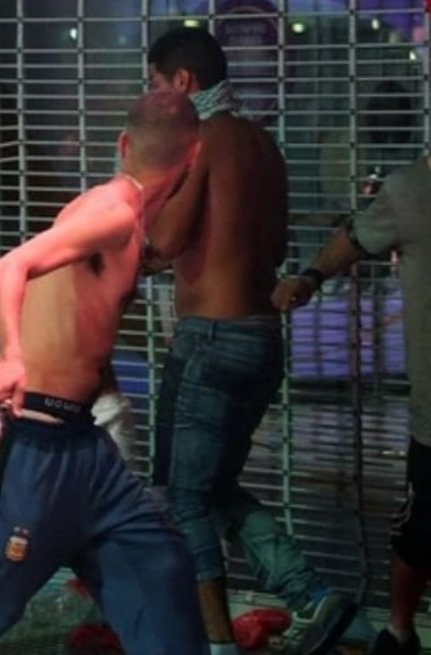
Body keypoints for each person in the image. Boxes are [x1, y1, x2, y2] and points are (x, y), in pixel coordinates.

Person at [0, 90, 205, 655]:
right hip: (32, 446)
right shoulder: (112, 210)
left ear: (123, 144)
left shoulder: (128, 220)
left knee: (160, 564)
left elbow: (81, 325)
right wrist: (11, 356)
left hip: (84, 447)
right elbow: (7, 268)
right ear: (192, 160)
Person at [143, 27, 357, 655]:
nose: (154, 96)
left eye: (156, 84)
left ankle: (215, 645)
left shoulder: (202, 141)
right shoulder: (265, 144)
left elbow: (166, 242)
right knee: (216, 488)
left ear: (183, 81)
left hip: (211, 340)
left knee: (181, 497)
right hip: (263, 338)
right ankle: (316, 597)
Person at [273, 153, 431, 655]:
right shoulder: (410, 189)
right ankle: (399, 631)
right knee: (420, 529)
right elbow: (356, 239)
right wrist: (311, 277)